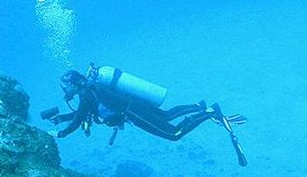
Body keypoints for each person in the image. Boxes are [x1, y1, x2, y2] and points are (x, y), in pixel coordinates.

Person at [43, 63, 249, 166]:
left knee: (174, 134)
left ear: (75, 83)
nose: (65, 90)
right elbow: (82, 114)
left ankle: (209, 111)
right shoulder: (92, 89)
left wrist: (60, 133)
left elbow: (79, 118)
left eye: (66, 86)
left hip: (133, 112)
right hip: (136, 104)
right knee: (167, 116)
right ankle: (198, 106)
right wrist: (62, 118)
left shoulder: (88, 94)